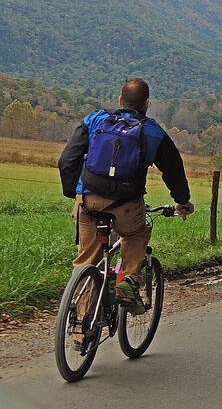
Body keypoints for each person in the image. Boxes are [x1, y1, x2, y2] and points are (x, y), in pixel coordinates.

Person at [58, 78, 193, 314]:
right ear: (146, 104)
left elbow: (67, 160)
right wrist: (182, 199)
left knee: (87, 262)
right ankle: (129, 280)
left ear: (120, 100)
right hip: (126, 205)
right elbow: (173, 169)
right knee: (137, 233)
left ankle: (81, 330)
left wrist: (75, 192)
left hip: (88, 201)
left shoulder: (95, 119)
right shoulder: (153, 131)